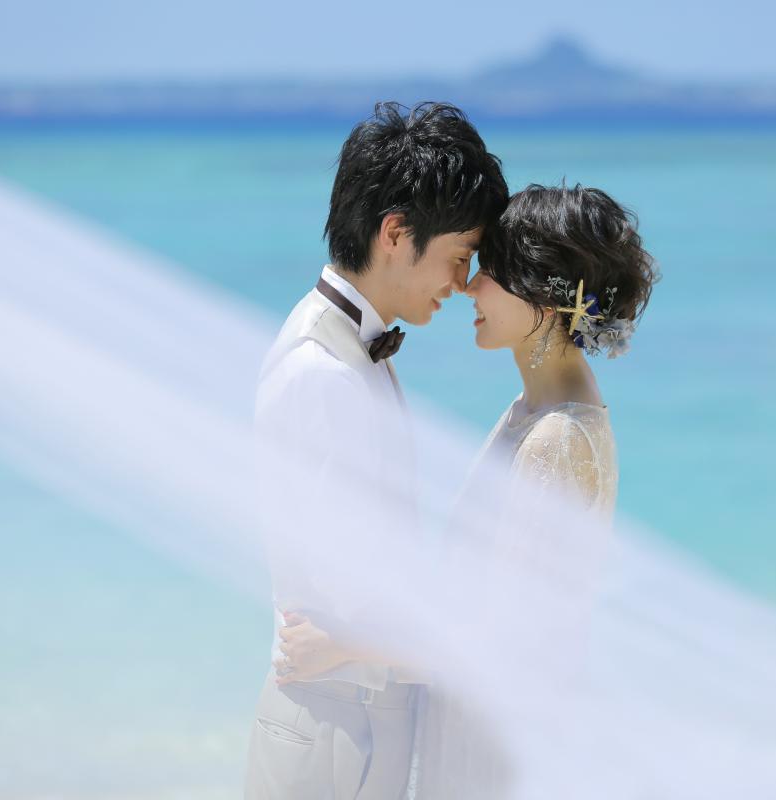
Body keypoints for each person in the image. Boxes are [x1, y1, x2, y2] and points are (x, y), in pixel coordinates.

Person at [243, 101, 508, 800]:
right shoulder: (323, 373)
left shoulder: (349, 348)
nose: (462, 283)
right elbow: (358, 601)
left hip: (352, 723)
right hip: (339, 735)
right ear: (396, 233)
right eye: (459, 257)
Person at [413, 183, 657, 798]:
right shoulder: (541, 406)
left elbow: (508, 633)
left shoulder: (557, 436)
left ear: (546, 299)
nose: (470, 287)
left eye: (491, 272)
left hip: (493, 748)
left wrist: (354, 644)